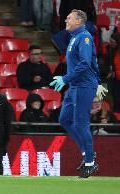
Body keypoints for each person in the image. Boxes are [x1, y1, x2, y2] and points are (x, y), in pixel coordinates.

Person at [49, 9, 108, 178]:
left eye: (68, 18)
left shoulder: (84, 37)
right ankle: (86, 152)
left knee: (81, 122)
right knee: (64, 119)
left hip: (82, 86)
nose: (65, 21)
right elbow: (93, 61)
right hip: (75, 85)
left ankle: (90, 162)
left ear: (79, 21)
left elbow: (85, 63)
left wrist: (66, 79)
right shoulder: (75, 37)